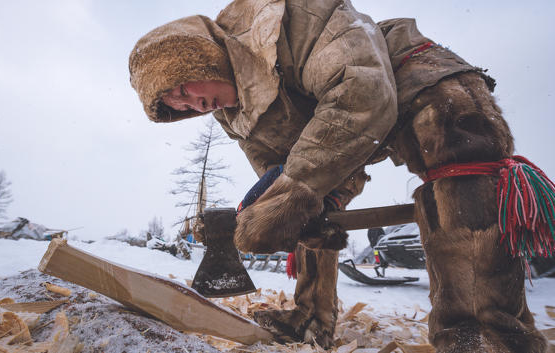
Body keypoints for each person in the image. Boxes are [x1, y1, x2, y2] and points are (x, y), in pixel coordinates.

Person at [129, 1, 552, 351]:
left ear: (198, 56)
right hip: (338, 113)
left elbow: (361, 95)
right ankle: (311, 318)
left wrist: (296, 191)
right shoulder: (232, 112)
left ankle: (482, 333)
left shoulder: (290, 18)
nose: (191, 106)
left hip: (410, 73)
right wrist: (295, 205)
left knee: (457, 152)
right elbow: (287, 166)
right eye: (178, 108)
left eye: (182, 89)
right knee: (301, 209)